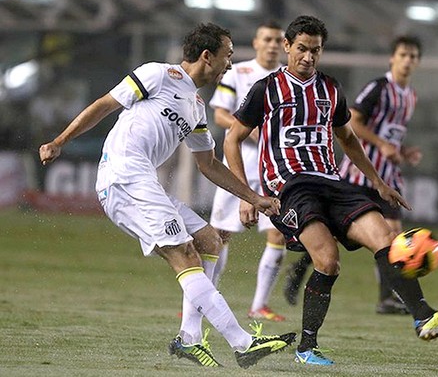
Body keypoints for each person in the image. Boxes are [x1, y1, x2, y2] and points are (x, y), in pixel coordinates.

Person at [38, 22, 295, 369]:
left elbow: (209, 164)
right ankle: (243, 343)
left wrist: (251, 197)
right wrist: (60, 141)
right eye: (227, 56)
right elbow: (104, 105)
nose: (230, 65)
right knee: (185, 254)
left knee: (208, 240)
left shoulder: (196, 106)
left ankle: (188, 338)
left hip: (145, 184)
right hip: (124, 179)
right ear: (207, 56)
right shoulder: (158, 75)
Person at [224, 15, 438, 366]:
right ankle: (307, 347)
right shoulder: (266, 89)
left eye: (315, 50)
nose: (308, 57)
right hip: (291, 187)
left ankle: (424, 316)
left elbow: (348, 139)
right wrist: (246, 196)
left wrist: (378, 182)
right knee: (328, 262)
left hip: (332, 182)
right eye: (301, 49)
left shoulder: (330, 89)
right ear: (287, 47)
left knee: (387, 238)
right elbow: (232, 139)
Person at [283, 35, 425, 315]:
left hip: (387, 178)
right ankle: (299, 269)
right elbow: (353, 122)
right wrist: (381, 144)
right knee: (333, 234)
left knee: (393, 238)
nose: (408, 61)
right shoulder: (378, 88)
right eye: (403, 55)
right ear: (392, 58)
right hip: (358, 175)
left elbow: (390, 135)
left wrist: (402, 150)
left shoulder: (411, 96)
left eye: (413, 56)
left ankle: (387, 299)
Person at [208, 21, 288, 322]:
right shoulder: (239, 72)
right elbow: (219, 114)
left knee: (278, 234)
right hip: (238, 164)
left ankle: (259, 305)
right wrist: (246, 129)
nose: (272, 44)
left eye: (277, 40)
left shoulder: (287, 78)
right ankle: (206, 299)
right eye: (266, 39)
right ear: (256, 42)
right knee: (219, 234)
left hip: (275, 169)